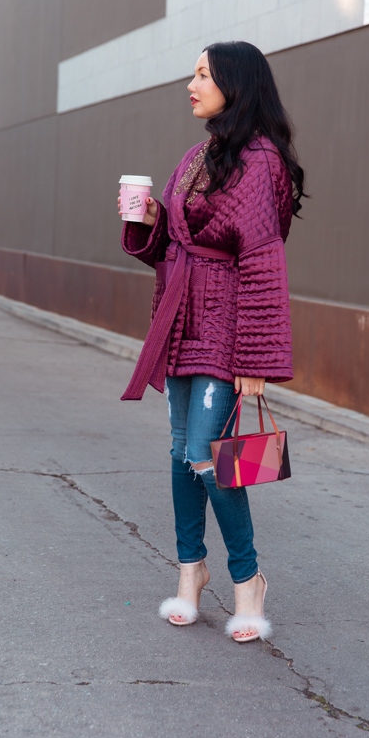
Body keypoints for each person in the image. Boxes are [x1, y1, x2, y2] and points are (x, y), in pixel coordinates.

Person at [118, 40, 305, 642]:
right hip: (182, 320)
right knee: (181, 452)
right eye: (193, 73)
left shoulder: (261, 160)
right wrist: (147, 221)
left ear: (235, 82)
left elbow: (260, 258)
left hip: (227, 330)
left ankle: (247, 580)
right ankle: (190, 573)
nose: (191, 84)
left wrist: (256, 357)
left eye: (203, 74)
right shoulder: (199, 156)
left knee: (207, 454)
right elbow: (173, 244)